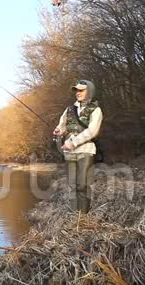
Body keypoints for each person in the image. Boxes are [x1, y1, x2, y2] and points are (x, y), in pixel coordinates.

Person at [53, 80, 103, 214]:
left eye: (82, 90)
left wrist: (73, 142)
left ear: (90, 91)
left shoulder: (96, 110)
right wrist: (59, 130)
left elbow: (92, 131)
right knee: (72, 186)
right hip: (69, 153)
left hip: (86, 151)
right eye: (77, 90)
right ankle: (75, 216)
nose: (78, 93)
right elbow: (62, 125)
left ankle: (83, 217)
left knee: (83, 185)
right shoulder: (69, 109)